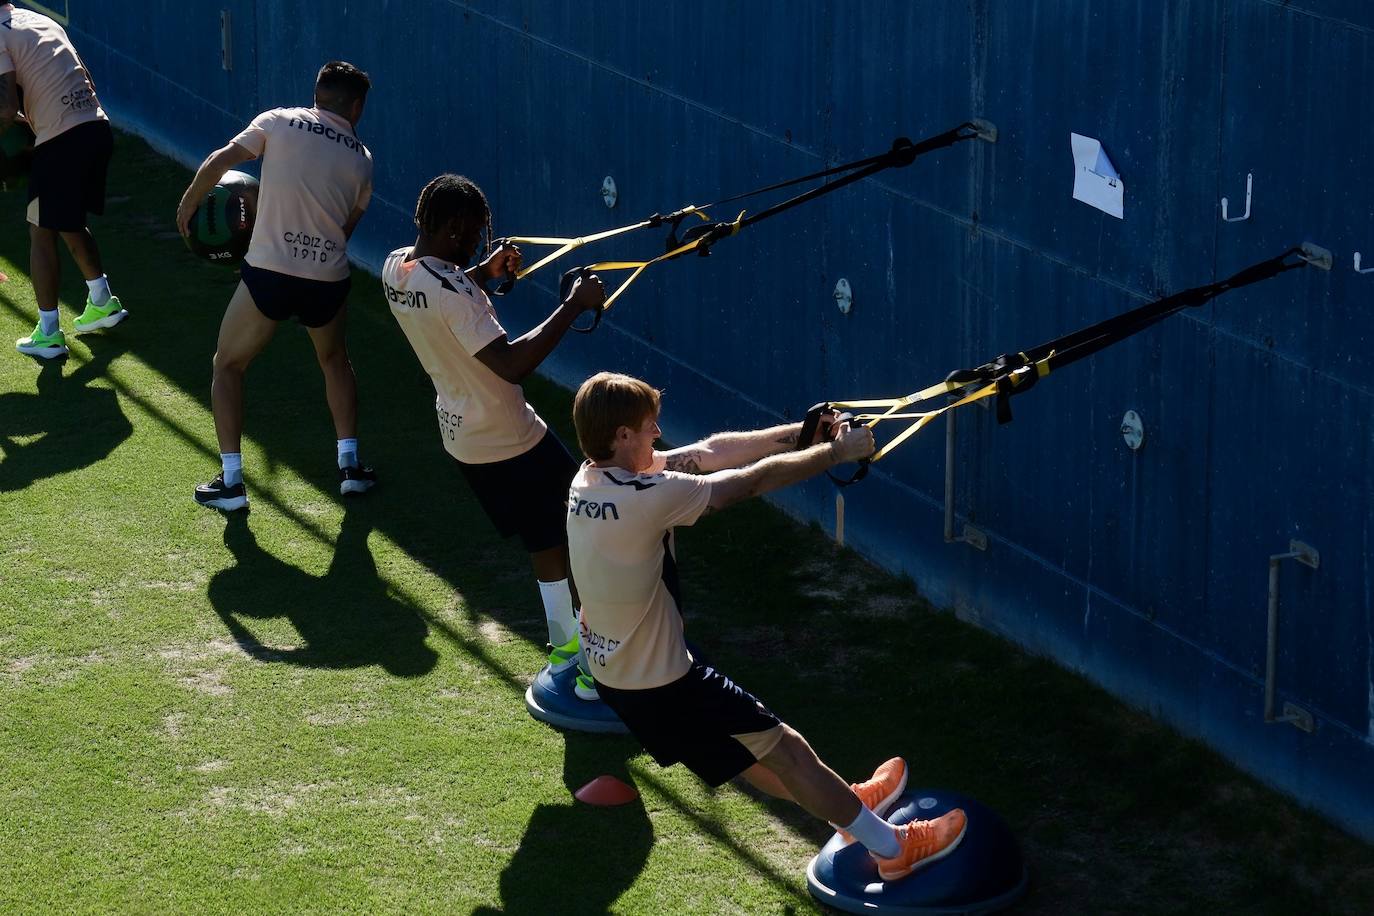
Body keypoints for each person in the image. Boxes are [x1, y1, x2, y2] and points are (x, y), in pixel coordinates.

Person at [567, 372, 968, 880]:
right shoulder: (646, 496)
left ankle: (848, 807)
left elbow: (711, 451)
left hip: (618, 676)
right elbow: (747, 483)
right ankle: (891, 849)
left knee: (755, 759)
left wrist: (800, 435)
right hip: (664, 683)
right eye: (649, 428)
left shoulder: (591, 479)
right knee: (788, 750)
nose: (657, 435)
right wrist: (833, 455)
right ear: (622, 436)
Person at [382, 174, 609, 702]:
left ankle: (565, 649)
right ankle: (597, 669)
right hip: (513, 438)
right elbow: (511, 363)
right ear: (456, 227)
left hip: (463, 441)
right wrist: (575, 304)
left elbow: (443, 296)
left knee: (543, 540)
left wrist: (482, 273)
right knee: (586, 533)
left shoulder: (398, 267)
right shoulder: (456, 291)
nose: (479, 246)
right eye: (477, 237)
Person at [175, 61, 375, 511]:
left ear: (317, 93)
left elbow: (219, 162)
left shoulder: (279, 120)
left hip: (269, 275)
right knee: (334, 360)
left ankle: (231, 483)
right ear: (357, 107)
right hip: (327, 280)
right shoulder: (363, 162)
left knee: (227, 365)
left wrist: (188, 205)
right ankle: (350, 468)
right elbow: (342, 232)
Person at [0, 2, 125, 359]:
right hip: (96, 128)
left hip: (61, 140)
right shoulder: (37, 21)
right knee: (65, 218)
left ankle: (49, 334)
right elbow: (87, 78)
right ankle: (102, 301)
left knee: (40, 230)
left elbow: (5, 107)